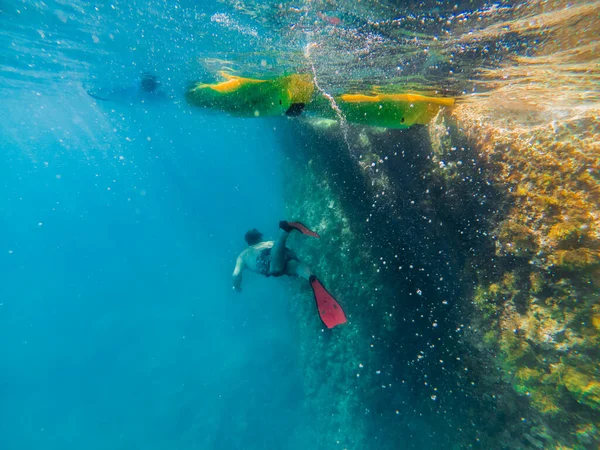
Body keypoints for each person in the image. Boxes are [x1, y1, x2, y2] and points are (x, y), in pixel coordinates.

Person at [232, 221, 347, 329]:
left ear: (248, 243)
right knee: (294, 267)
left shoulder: (243, 254)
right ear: (260, 237)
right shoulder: (268, 242)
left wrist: (236, 286)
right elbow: (288, 253)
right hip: (281, 251)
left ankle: (283, 232)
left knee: (275, 269)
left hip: (268, 257)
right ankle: (311, 277)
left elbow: (236, 274)